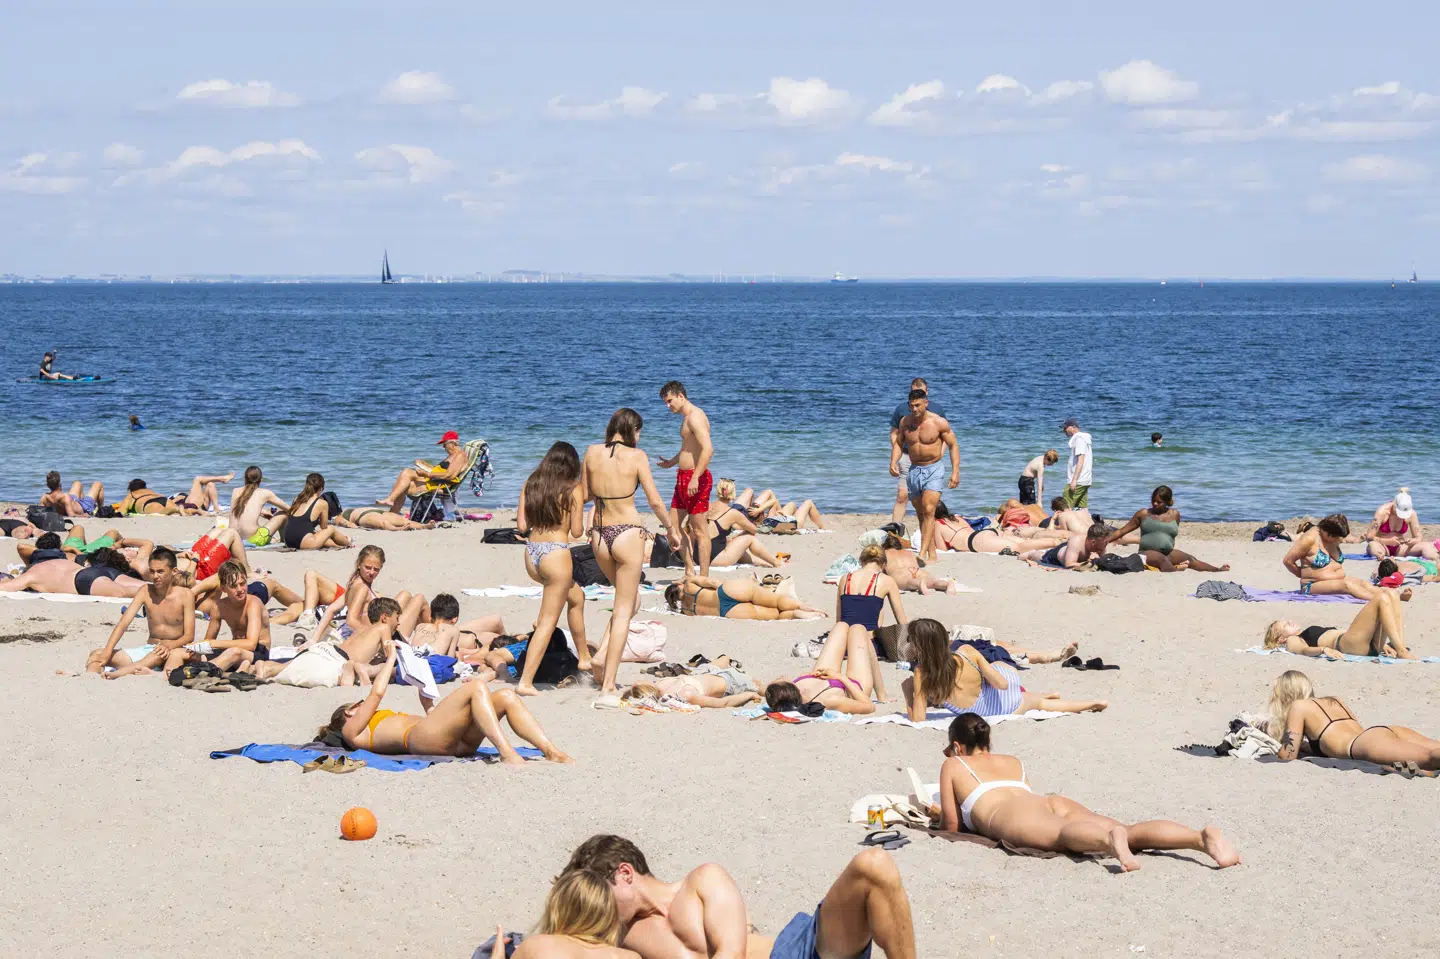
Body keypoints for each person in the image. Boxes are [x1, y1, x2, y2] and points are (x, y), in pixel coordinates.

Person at [933, 713, 1239, 870]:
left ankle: (1109, 842)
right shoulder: (1012, 761)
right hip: (1047, 802)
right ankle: (1199, 839)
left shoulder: (954, 764)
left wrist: (933, 815)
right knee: (1126, 829)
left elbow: (950, 826)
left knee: (1063, 836)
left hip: (1011, 814)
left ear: (957, 746)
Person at [563, 834, 917, 959]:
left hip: (796, 952)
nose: (596, 905)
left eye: (598, 893)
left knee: (874, 864)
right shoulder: (618, 936)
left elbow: (732, 953)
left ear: (625, 874)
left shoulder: (702, 882)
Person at [322, 640, 571, 763]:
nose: (360, 705)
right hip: (421, 740)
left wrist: (426, 704)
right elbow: (376, 694)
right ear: (348, 713)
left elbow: (438, 726)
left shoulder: (375, 722)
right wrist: (390, 659)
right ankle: (507, 753)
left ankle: (551, 751)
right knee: (475, 686)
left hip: (448, 740)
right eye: (355, 705)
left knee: (506, 696)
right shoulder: (352, 731)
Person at [583, 408, 682, 697]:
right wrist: (671, 529)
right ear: (632, 430)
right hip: (628, 533)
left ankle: (601, 654)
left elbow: (586, 494)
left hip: (600, 536)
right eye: (638, 432)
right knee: (624, 609)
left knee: (631, 600)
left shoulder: (591, 452)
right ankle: (609, 684)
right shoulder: (638, 457)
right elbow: (653, 499)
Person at [906, 617, 1107, 719]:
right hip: (1004, 697)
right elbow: (1001, 685)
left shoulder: (921, 673)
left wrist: (910, 694)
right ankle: (1088, 702)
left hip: (983, 713)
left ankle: (1076, 701)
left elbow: (919, 719)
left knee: (1035, 701)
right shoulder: (966, 651)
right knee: (1002, 668)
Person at [516, 441, 590, 695]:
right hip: (556, 555)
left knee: (576, 596)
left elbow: (522, 525)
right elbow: (577, 531)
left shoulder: (532, 482)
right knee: (547, 620)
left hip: (532, 554)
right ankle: (526, 682)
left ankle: (584, 657)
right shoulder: (573, 488)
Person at [1267, 669, 1440, 771]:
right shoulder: (1334, 700)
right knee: (1434, 748)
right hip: (1381, 732)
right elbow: (1339, 734)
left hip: (1363, 744)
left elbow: (1287, 756)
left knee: (1429, 759)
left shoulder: (1299, 706)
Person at [85, 547, 195, 677]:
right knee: (97, 654)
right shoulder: (145, 591)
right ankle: (88, 678)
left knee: (158, 654)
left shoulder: (186, 595)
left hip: (172, 650)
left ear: (174, 571)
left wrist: (170, 644)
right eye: (152, 571)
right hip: (149, 649)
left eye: (160, 572)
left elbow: (189, 636)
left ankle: (119, 673)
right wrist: (108, 650)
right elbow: (123, 623)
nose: (155, 576)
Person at [161, 560, 271, 673]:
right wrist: (198, 649)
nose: (239, 590)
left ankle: (193, 673)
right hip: (232, 650)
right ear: (223, 589)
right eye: (233, 586)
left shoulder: (253, 604)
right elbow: (209, 639)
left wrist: (212, 644)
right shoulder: (219, 606)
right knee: (178, 653)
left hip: (258, 653)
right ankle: (165, 676)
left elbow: (251, 644)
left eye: (242, 584)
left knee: (234, 652)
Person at [891, 389, 960, 564]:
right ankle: (932, 553)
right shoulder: (905, 422)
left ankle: (921, 554)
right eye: (911, 406)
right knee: (921, 514)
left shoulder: (938, 422)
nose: (914, 409)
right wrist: (893, 461)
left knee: (929, 510)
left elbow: (953, 445)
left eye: (918, 405)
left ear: (926, 403)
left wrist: (955, 472)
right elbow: (899, 443)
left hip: (934, 469)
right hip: (914, 470)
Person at [763, 617, 883, 715]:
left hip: (824, 675)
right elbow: (869, 707)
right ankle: (882, 694)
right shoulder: (829, 701)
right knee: (858, 629)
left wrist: (807, 675)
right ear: (787, 688)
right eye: (779, 680)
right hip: (854, 685)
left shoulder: (788, 693)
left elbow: (768, 694)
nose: (781, 676)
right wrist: (840, 677)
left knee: (841, 626)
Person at [655, 381, 714, 578]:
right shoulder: (687, 418)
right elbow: (688, 448)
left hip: (696, 478)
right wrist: (672, 462)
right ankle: (689, 569)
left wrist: (695, 477)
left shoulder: (695, 417)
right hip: (683, 478)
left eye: (670, 401)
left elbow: (708, 449)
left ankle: (704, 576)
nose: (668, 406)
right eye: (665, 402)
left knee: (700, 530)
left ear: (681, 396)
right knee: (673, 525)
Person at [305, 544, 426, 637]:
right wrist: (374, 635)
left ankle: (427, 631)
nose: (372, 572)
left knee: (405, 595)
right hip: (377, 634)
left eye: (376, 569)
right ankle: (432, 632)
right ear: (359, 564)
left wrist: (314, 638)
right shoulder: (362, 588)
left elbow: (331, 609)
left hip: (378, 629)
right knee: (419, 599)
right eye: (368, 567)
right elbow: (351, 620)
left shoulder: (355, 582)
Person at [1105, 485, 1230, 572]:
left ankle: (1217, 570)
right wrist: (1105, 541)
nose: (1154, 504)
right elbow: (1122, 531)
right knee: (1162, 560)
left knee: (1191, 559)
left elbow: (1170, 535)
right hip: (1147, 553)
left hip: (1167, 553)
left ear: (1168, 502)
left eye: (1159, 502)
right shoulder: (1143, 514)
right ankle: (1176, 571)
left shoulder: (1175, 515)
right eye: (1153, 500)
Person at [1263, 589, 1416, 659]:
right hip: (1347, 644)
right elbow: (1303, 651)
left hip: (1361, 642)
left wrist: (1383, 645)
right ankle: (1402, 651)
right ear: (1281, 639)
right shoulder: (1292, 640)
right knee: (1381, 598)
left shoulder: (1298, 635)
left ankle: (1398, 645)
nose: (1289, 622)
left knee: (1392, 594)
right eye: (1285, 626)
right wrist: (1323, 650)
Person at [1283, 514, 1402, 602]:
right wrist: (1304, 575)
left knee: (1363, 583)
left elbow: (1351, 539)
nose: (1339, 541)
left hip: (1337, 580)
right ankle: (1379, 599)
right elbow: (1288, 561)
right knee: (1347, 586)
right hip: (1312, 585)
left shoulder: (1334, 535)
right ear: (1328, 533)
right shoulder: (1309, 539)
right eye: (1336, 538)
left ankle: (1393, 595)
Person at [889, 376, 946, 525]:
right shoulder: (902, 409)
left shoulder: (937, 410)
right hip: (908, 457)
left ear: (927, 393)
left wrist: (941, 453)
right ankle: (895, 530)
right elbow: (895, 434)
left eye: (921, 393)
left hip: (931, 462)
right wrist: (895, 458)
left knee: (928, 503)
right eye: (914, 393)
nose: (915, 407)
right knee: (902, 495)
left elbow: (946, 436)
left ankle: (933, 533)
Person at [375, 430, 472, 514]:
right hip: (436, 481)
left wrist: (427, 474)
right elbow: (439, 469)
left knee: (404, 484)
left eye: (444, 444)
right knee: (405, 477)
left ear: (453, 443)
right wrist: (424, 464)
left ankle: (392, 509)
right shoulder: (453, 455)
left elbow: (449, 475)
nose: (443, 447)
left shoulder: (459, 456)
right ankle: (391, 506)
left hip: (441, 485)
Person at [665, 574, 826, 621]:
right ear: (678, 587)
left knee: (776, 615)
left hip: (726, 611)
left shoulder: (687, 611)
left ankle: (797, 614)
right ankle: (805, 607)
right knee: (775, 600)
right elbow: (712, 581)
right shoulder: (689, 584)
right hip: (725, 592)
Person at [622, 656, 760, 708]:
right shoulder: (685, 694)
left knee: (725, 658)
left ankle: (731, 662)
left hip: (702, 673)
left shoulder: (659, 686)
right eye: (638, 683)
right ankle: (736, 669)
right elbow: (722, 703)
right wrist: (748, 695)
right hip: (729, 682)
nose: (638, 679)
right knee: (760, 687)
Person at [0, 549, 147, 598]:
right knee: (149, 586)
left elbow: (7, 588)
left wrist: (6, 582)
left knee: (124, 592)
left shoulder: (31, 576)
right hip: (98, 570)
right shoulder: (54, 562)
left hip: (83, 580)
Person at [707, 479, 785, 567]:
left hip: (699, 556)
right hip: (715, 559)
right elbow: (754, 531)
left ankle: (765, 562)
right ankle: (776, 562)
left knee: (732, 545)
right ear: (733, 494)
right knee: (749, 538)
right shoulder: (732, 513)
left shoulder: (706, 507)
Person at [281, 472, 351, 549]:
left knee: (315, 534)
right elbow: (324, 527)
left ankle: (338, 544)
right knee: (331, 529)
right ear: (321, 488)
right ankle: (348, 542)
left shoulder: (297, 499)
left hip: (288, 541)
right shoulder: (322, 503)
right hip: (303, 543)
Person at [1365, 488, 1437, 560]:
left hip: (1400, 548)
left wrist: (1412, 541)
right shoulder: (1382, 512)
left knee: (1427, 546)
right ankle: (1381, 557)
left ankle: (1436, 560)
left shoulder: (1411, 514)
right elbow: (1369, 537)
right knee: (1373, 546)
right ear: (1394, 504)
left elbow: (1419, 537)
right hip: (1382, 546)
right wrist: (1388, 541)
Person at [881, 531, 963, 595]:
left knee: (908, 582)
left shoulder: (884, 553)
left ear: (884, 546)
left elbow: (879, 570)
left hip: (900, 573)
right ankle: (947, 584)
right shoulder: (908, 552)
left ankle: (919, 584)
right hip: (917, 570)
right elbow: (920, 563)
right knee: (933, 583)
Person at [229, 466, 291, 540]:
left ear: (245, 478)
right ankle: (283, 541)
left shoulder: (235, 491)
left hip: (234, 538)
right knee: (283, 514)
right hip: (253, 539)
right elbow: (289, 509)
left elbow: (247, 505)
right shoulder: (265, 493)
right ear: (261, 480)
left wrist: (260, 511)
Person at [1019, 521, 1111, 569]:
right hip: (1055, 557)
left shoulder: (1101, 546)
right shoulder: (1077, 542)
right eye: (1105, 542)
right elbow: (1069, 564)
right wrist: (1090, 562)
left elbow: (1101, 562)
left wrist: (1097, 560)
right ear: (1093, 542)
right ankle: (1029, 553)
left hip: (1068, 549)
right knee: (1039, 556)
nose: (1107, 543)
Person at [1060, 417, 1093, 509]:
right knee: (1082, 509)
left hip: (1078, 480)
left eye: (1065, 428)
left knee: (1065, 507)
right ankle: (1086, 522)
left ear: (1073, 427)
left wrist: (1074, 480)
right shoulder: (1084, 438)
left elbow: (1080, 461)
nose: (1064, 430)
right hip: (1085, 480)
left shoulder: (1079, 439)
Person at [334, 506, 434, 531]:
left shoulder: (339, 516)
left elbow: (344, 523)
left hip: (364, 515)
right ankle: (424, 526)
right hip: (376, 511)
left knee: (383, 523)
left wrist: (350, 525)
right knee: (404, 521)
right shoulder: (343, 513)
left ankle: (397, 529)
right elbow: (346, 523)